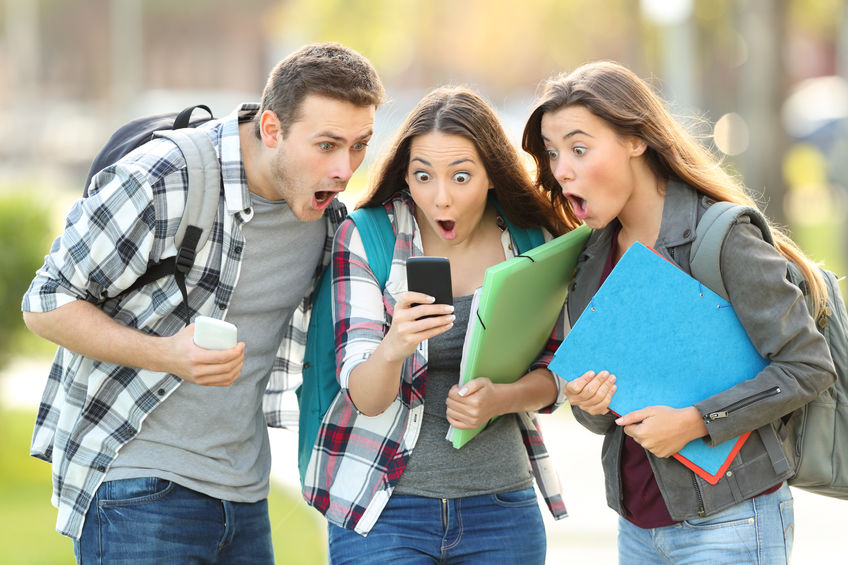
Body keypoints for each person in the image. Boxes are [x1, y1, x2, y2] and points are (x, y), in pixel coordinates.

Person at [21, 42, 384, 564]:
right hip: (137, 485)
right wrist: (168, 355)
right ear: (272, 129)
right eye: (327, 145)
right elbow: (45, 301)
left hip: (244, 492)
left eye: (359, 145)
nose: (345, 167)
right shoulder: (166, 176)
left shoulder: (326, 221)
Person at [521, 60, 837, 564]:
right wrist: (590, 401)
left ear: (636, 140)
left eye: (579, 149)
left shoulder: (721, 236)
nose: (562, 170)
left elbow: (807, 367)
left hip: (732, 520)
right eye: (555, 154)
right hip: (637, 527)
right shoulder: (592, 257)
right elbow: (604, 420)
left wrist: (696, 421)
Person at [300, 86, 575, 564]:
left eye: (461, 176)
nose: (440, 198)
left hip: (501, 506)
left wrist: (501, 399)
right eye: (423, 177)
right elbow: (365, 396)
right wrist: (394, 346)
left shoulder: (531, 240)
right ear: (405, 175)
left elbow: (560, 371)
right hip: (383, 506)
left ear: (492, 175)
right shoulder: (367, 236)